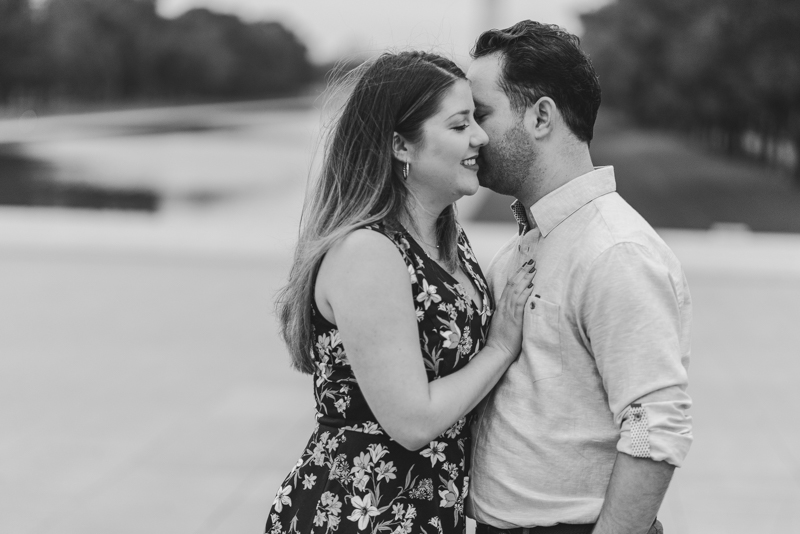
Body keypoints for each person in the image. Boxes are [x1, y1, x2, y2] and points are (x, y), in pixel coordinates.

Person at [265, 51, 537, 534]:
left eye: (476, 118)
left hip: (423, 514)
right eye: (459, 125)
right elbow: (412, 421)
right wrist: (499, 347)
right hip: (357, 513)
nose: (480, 136)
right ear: (400, 146)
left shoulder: (447, 242)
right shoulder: (367, 253)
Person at [465, 21, 693, 534]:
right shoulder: (527, 245)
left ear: (541, 116)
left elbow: (654, 428)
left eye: (481, 115)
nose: (474, 135)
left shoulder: (615, 250)